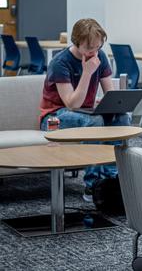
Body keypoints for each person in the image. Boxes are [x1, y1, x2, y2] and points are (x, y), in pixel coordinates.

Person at [38, 18, 130, 202]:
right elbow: (72, 104)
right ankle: (92, 185)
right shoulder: (60, 63)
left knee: (121, 117)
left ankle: (113, 178)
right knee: (95, 122)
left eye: (97, 47)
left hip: (85, 112)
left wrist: (109, 105)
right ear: (76, 42)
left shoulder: (100, 56)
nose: (94, 52)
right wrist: (87, 72)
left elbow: (110, 94)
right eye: (89, 48)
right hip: (53, 118)